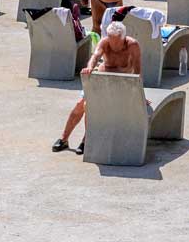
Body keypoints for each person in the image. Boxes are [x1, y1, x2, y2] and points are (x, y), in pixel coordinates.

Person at [52, 20, 142, 155]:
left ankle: (86, 139)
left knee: (92, 107)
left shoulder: (133, 45)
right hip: (102, 78)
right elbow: (95, 56)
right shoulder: (105, 42)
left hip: (121, 83)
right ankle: (64, 139)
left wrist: (139, 94)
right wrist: (89, 68)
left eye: (117, 41)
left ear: (124, 37)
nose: (114, 45)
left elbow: (138, 71)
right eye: (111, 40)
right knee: (81, 104)